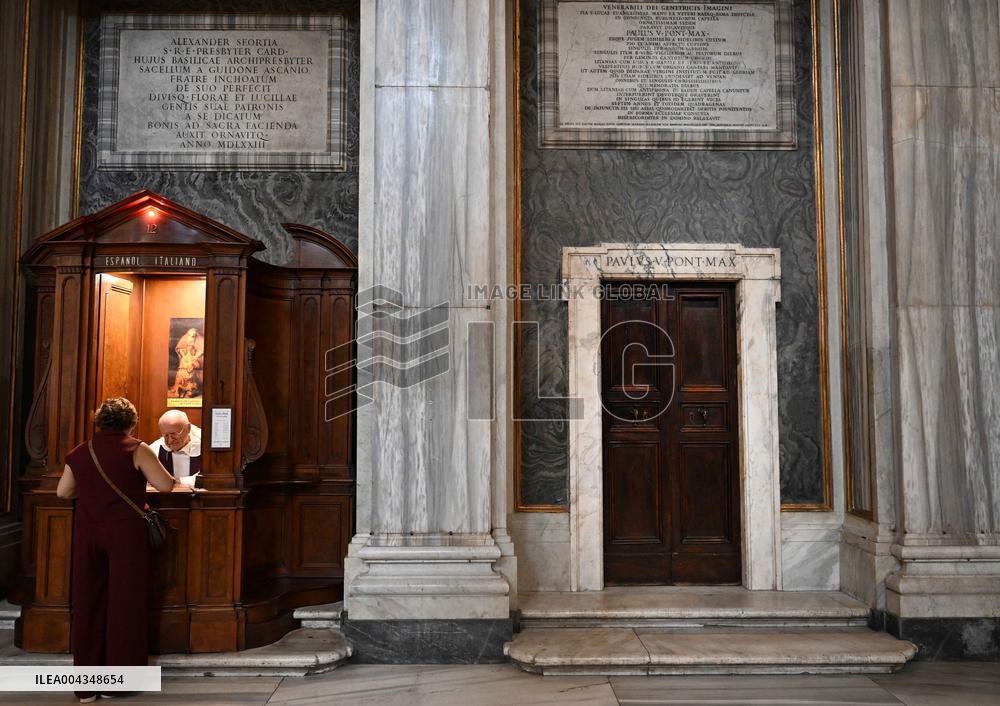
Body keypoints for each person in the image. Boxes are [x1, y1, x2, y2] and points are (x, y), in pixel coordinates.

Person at [56, 397, 178, 703]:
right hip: (125, 536)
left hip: (88, 534)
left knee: (89, 605)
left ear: (99, 421)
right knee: (125, 604)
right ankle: (116, 684)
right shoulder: (136, 449)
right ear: (131, 423)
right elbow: (165, 485)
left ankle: (85, 687)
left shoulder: (80, 452)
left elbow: (63, 492)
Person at [148, 410, 202, 480]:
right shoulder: (154, 450)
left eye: (174, 434)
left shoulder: (205, 449)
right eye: (166, 436)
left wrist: (179, 482)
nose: (170, 441)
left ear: (188, 428)